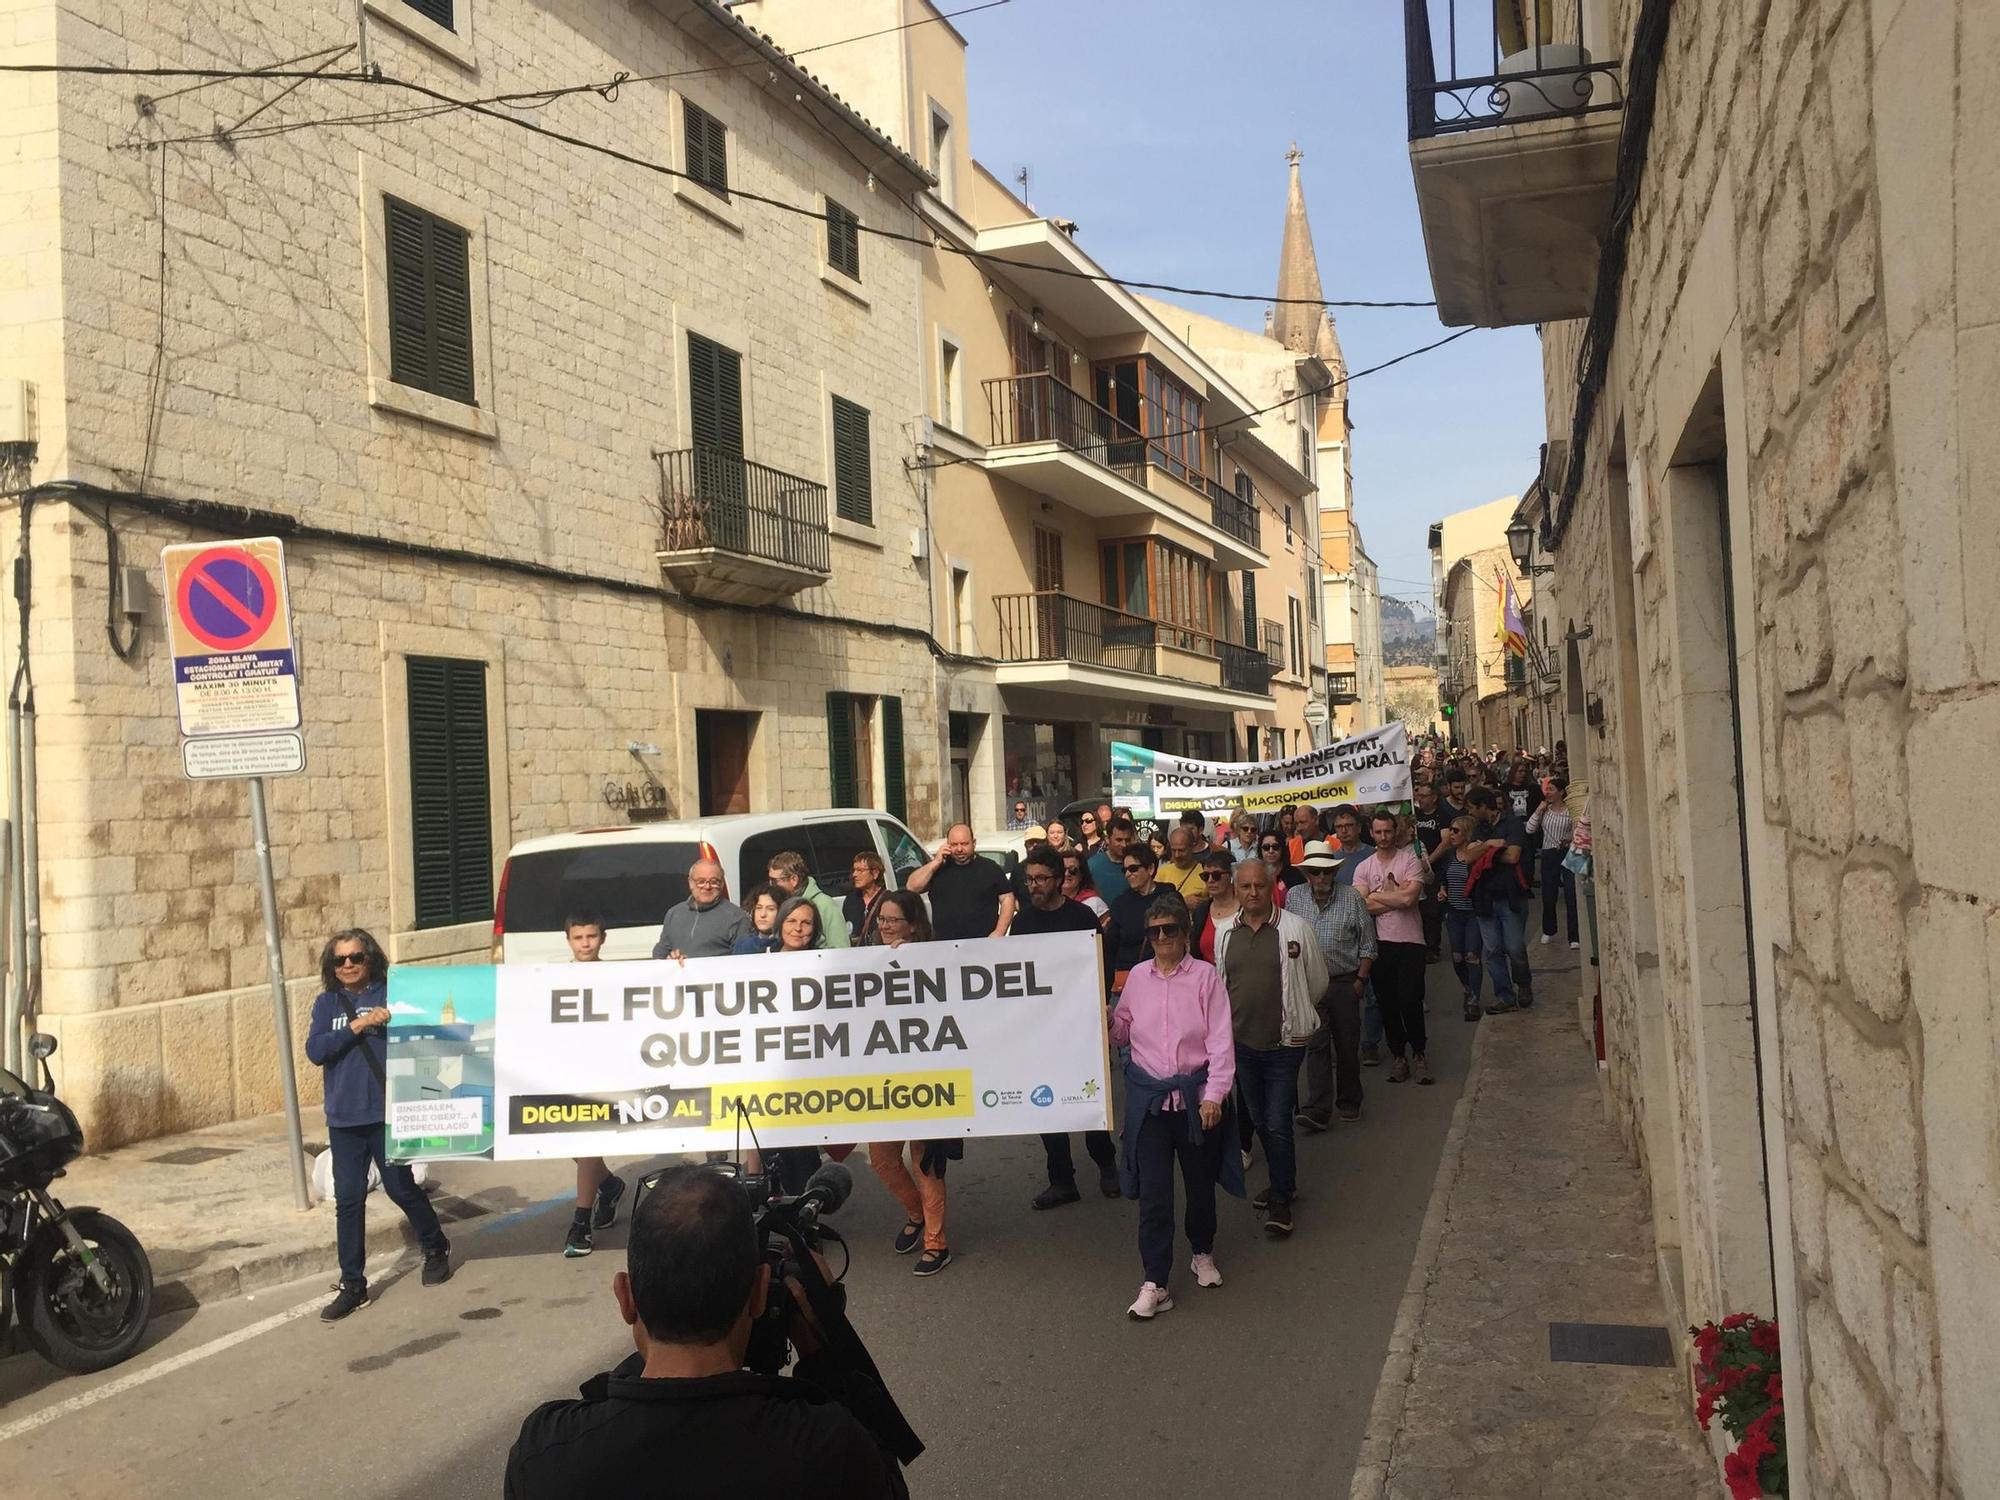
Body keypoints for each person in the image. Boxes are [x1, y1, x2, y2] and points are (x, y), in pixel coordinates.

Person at [504, 1165, 909, 1499]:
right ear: (757, 1294)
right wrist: (825, 1355)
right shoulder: (828, 1449)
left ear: (626, 1298)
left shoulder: (545, 1451)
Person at [305, 929, 452, 1321]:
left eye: (356, 957)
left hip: (387, 1113)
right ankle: (353, 1284)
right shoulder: (326, 1004)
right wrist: (356, 1026)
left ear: (370, 958)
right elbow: (315, 1051)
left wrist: (389, 1021)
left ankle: (435, 1245)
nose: (348, 965)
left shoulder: (393, 994)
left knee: (400, 1187)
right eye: (340, 960)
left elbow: (428, 1029)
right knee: (348, 1201)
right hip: (343, 1117)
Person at [1111, 896, 1241, 1319]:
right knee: (1154, 1195)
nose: (1162, 938)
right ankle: (1155, 1280)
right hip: (1150, 1104)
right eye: (1154, 931)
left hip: (1194, 1101)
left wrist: (1213, 1096)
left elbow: (1221, 1041)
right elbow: (1123, 1029)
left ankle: (1202, 1251)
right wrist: (1104, 1020)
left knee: (1200, 1184)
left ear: (1185, 933)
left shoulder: (1205, 978)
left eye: (1170, 929)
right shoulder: (1138, 979)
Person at [1212, 860, 1326, 1237]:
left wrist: (1295, 1014)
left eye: (1259, 885)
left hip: (1284, 1044)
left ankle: (1280, 1200)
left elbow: (1317, 982)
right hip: (1242, 1046)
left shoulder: (1296, 928)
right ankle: (1286, 1181)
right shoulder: (1225, 934)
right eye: (1245, 887)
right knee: (1260, 1119)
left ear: (1271, 886)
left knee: (1277, 1122)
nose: (1252, 893)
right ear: (1236, 889)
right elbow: (1220, 985)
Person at [1011, 847, 1120, 1209]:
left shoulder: (1082, 917)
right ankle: (1061, 1180)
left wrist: (1099, 1006)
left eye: (1041, 878)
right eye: (1029, 879)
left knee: (1090, 1099)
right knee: (1047, 1103)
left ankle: (1106, 1165)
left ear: (1060, 879)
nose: (1034, 886)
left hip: (1081, 1026)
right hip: (1041, 1031)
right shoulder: (1022, 922)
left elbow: (1100, 967)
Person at [865, 892, 957, 1277]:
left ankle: (937, 1242)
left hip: (926, 1077)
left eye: (893, 920)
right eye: (881, 920)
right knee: (882, 1159)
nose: (885, 926)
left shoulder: (937, 960)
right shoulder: (866, 961)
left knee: (926, 1163)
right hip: (883, 1079)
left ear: (914, 925)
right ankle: (916, 1214)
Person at [1285, 842, 1377, 1130]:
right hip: (1310, 983)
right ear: (1307, 875)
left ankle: (1350, 1100)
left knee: (1347, 1045)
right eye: (1316, 872)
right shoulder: (1294, 897)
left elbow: (1368, 944)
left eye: (1327, 872)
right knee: (1316, 1044)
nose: (1322, 878)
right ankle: (1317, 1109)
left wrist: (1360, 981)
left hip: (1344, 982)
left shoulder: (1351, 898)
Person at [562, 913, 628, 1257]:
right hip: (565, 1069)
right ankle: (610, 1185)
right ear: (568, 940)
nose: (585, 943)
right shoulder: (553, 977)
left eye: (591, 936)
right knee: (571, 1144)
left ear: (602, 938)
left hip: (603, 1071)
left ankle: (581, 1223)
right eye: (578, 937)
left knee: (586, 1141)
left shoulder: (615, 975)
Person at [1354, 812, 1432, 1085]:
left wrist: (1377, 896)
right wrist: (1394, 897)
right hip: (1380, 943)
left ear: (1394, 831)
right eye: (1378, 832)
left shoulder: (1409, 859)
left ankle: (1419, 1052)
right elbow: (1361, 906)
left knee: (1411, 999)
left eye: (1387, 831)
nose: (1383, 837)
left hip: (1411, 940)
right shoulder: (1364, 867)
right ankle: (1399, 1055)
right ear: (1372, 833)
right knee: (1388, 1003)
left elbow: (1411, 898)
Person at [1464, 787, 1534, 1011]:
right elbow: (1467, 857)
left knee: (1514, 947)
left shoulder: (1512, 824)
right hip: (1485, 897)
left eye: (1473, 808)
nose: (1471, 813)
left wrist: (1484, 853)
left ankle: (1523, 984)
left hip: (1509, 896)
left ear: (1484, 806)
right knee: (1493, 949)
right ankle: (1504, 996)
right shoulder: (1480, 829)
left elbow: (1513, 856)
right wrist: (1488, 846)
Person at [904, 824, 1015, 940]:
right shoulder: (938, 869)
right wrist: (936, 862)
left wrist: (999, 932)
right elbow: (912, 887)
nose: (959, 849)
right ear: (947, 845)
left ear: (974, 843)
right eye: (954, 844)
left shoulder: (990, 868)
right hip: (945, 946)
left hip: (983, 945)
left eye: (964, 844)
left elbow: (1007, 898)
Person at [653, 858, 752, 959]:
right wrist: (670, 957)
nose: (707, 886)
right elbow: (660, 952)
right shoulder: (674, 913)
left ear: (722, 884)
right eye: (701, 881)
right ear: (690, 882)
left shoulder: (737, 917)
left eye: (714, 881)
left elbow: (743, 963)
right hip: (681, 974)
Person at [1438, 817, 1486, 1022]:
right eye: (1451, 830)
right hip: (1454, 913)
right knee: (1457, 957)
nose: (1452, 834)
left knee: (1471, 956)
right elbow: (1443, 877)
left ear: (1467, 833)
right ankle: (1467, 988)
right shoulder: (1449, 855)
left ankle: (1474, 999)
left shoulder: (1475, 856)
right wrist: (1442, 890)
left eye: (1456, 830)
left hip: (1473, 913)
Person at [1527, 776, 1580, 948]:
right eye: (1546, 789)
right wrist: (1538, 811)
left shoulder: (1569, 810)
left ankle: (1574, 936)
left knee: (1572, 893)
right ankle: (1549, 929)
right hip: (1549, 853)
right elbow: (1530, 829)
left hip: (1567, 851)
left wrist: (1569, 839)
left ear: (1561, 792)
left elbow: (1576, 829)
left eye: (1551, 789)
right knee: (1549, 894)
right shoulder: (1545, 810)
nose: (1547, 792)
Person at [1105, 841, 1165, 981]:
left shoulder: (1168, 896)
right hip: (1128, 978)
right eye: (1124, 870)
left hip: (1164, 975)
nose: (1127, 874)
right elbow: (1111, 948)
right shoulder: (1120, 903)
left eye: (1133, 869)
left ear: (1150, 869)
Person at [767, 851, 850, 949]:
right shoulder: (778, 902)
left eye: (774, 881)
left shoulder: (825, 904)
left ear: (794, 880)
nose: (771, 885)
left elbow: (841, 948)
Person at [1411, 779, 1447, 962]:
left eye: (1424, 796)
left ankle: (1433, 947)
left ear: (1434, 797)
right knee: (1421, 908)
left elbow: (1445, 842)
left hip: (1435, 868)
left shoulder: (1441, 815)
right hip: (1416, 867)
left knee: (1433, 910)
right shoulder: (1415, 815)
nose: (1421, 799)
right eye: (1418, 795)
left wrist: (1429, 862)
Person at [1190, 848, 1239, 963]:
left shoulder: (1246, 909)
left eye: (1216, 875)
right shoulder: (1201, 912)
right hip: (1207, 978)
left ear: (1231, 875)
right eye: (1205, 876)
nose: (1210, 880)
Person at [1087, 815, 1137, 903]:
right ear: (1107, 840)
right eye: (1119, 840)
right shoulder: (1092, 865)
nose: (1124, 845)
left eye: (1127, 840)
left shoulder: (1138, 864)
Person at [843, 851, 888, 945]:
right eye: (854, 870)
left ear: (875, 873)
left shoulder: (888, 900)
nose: (854, 875)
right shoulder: (851, 900)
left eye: (860, 870)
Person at [1156, 823, 1208, 902]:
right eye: (1173, 850)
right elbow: (1156, 904)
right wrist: (1183, 902)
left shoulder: (1205, 873)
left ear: (1192, 847)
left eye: (1181, 850)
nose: (1177, 855)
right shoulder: (1162, 873)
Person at [1059, 848, 1109, 921]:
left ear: (1082, 875)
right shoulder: (1048, 903)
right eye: (1062, 870)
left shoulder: (1095, 903)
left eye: (1073, 870)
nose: (1067, 874)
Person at [732, 883, 782, 955]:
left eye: (770, 909)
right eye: (758, 908)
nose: (763, 914)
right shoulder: (742, 946)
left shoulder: (787, 945)